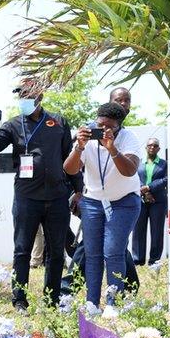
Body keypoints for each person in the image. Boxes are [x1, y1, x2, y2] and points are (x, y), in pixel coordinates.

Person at [0, 79, 79, 310]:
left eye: (27, 95)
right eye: (20, 95)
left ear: (39, 97)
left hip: (57, 195)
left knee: (56, 252)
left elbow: (68, 158)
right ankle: (19, 299)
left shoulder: (59, 122)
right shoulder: (13, 125)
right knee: (22, 249)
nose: (23, 99)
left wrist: (78, 190)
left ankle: (51, 299)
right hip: (27, 197)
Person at [63, 102, 142, 307]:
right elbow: (70, 169)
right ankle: (92, 303)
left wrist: (112, 149)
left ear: (119, 126)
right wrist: (79, 147)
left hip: (124, 201)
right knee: (92, 253)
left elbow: (130, 171)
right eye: (100, 124)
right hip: (93, 202)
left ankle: (113, 304)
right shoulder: (88, 138)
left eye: (110, 127)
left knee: (113, 250)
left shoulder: (128, 138)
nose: (103, 130)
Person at [132, 138, 168, 266]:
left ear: (158, 148)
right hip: (141, 200)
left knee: (157, 230)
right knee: (138, 230)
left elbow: (166, 179)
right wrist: (145, 191)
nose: (152, 147)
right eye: (149, 145)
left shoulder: (164, 164)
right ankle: (137, 259)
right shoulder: (139, 163)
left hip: (158, 201)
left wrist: (150, 187)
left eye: (155, 145)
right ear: (146, 148)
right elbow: (134, 178)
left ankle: (154, 260)